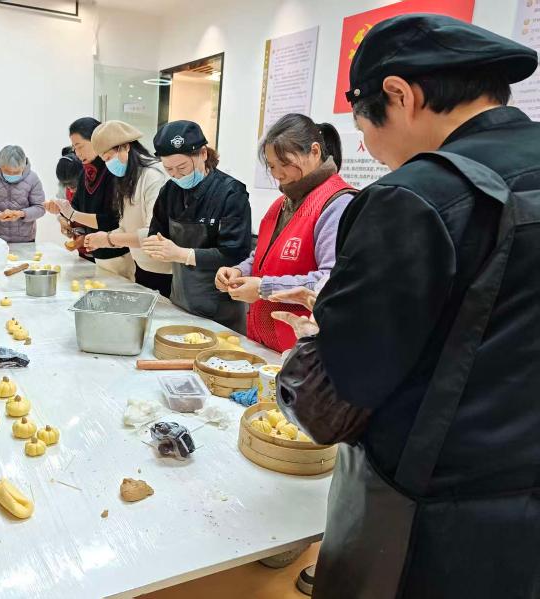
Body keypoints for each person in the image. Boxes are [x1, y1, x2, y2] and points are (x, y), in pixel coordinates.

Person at [274, 15, 540, 599]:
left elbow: (333, 398)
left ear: (399, 95)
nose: (367, 148)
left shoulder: (414, 197)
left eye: (361, 126)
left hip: (425, 518)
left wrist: (314, 340)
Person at [215, 114, 354, 353]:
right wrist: (239, 271)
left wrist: (264, 288)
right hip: (265, 343)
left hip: (305, 350)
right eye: (271, 166)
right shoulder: (282, 203)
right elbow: (263, 256)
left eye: (285, 163)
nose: (278, 174)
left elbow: (331, 281)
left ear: (314, 151)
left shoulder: (337, 204)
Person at [143, 120, 251, 332]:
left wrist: (182, 254)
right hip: (180, 298)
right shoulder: (169, 191)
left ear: (203, 154)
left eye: (182, 167)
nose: (176, 175)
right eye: (168, 169)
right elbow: (156, 232)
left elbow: (235, 253)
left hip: (221, 306)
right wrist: (155, 245)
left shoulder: (230, 193)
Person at [84, 120, 172, 296]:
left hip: (165, 271)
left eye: (108, 158)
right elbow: (126, 227)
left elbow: (153, 234)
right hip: (142, 266)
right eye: (104, 160)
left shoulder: (153, 176)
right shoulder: (128, 179)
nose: (108, 164)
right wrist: (101, 239)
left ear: (125, 147)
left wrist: (108, 239)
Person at [46, 117, 134, 279]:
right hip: (97, 254)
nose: (77, 153)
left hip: (118, 254)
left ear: (96, 140)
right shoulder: (86, 172)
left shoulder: (113, 171)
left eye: (80, 146)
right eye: (74, 148)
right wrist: (63, 213)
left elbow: (112, 220)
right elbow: (76, 208)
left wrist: (72, 214)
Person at [0, 144, 45, 242]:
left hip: (25, 239)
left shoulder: (33, 178)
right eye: (7, 171)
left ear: (23, 166)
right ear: (0, 165)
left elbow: (40, 207)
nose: (12, 174)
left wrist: (22, 214)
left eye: (16, 172)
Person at [55, 146, 93, 262]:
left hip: (102, 252)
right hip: (82, 252)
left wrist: (86, 238)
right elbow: (61, 208)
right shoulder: (65, 188)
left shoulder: (94, 189)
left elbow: (105, 222)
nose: (70, 190)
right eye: (66, 186)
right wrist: (63, 220)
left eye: (73, 186)